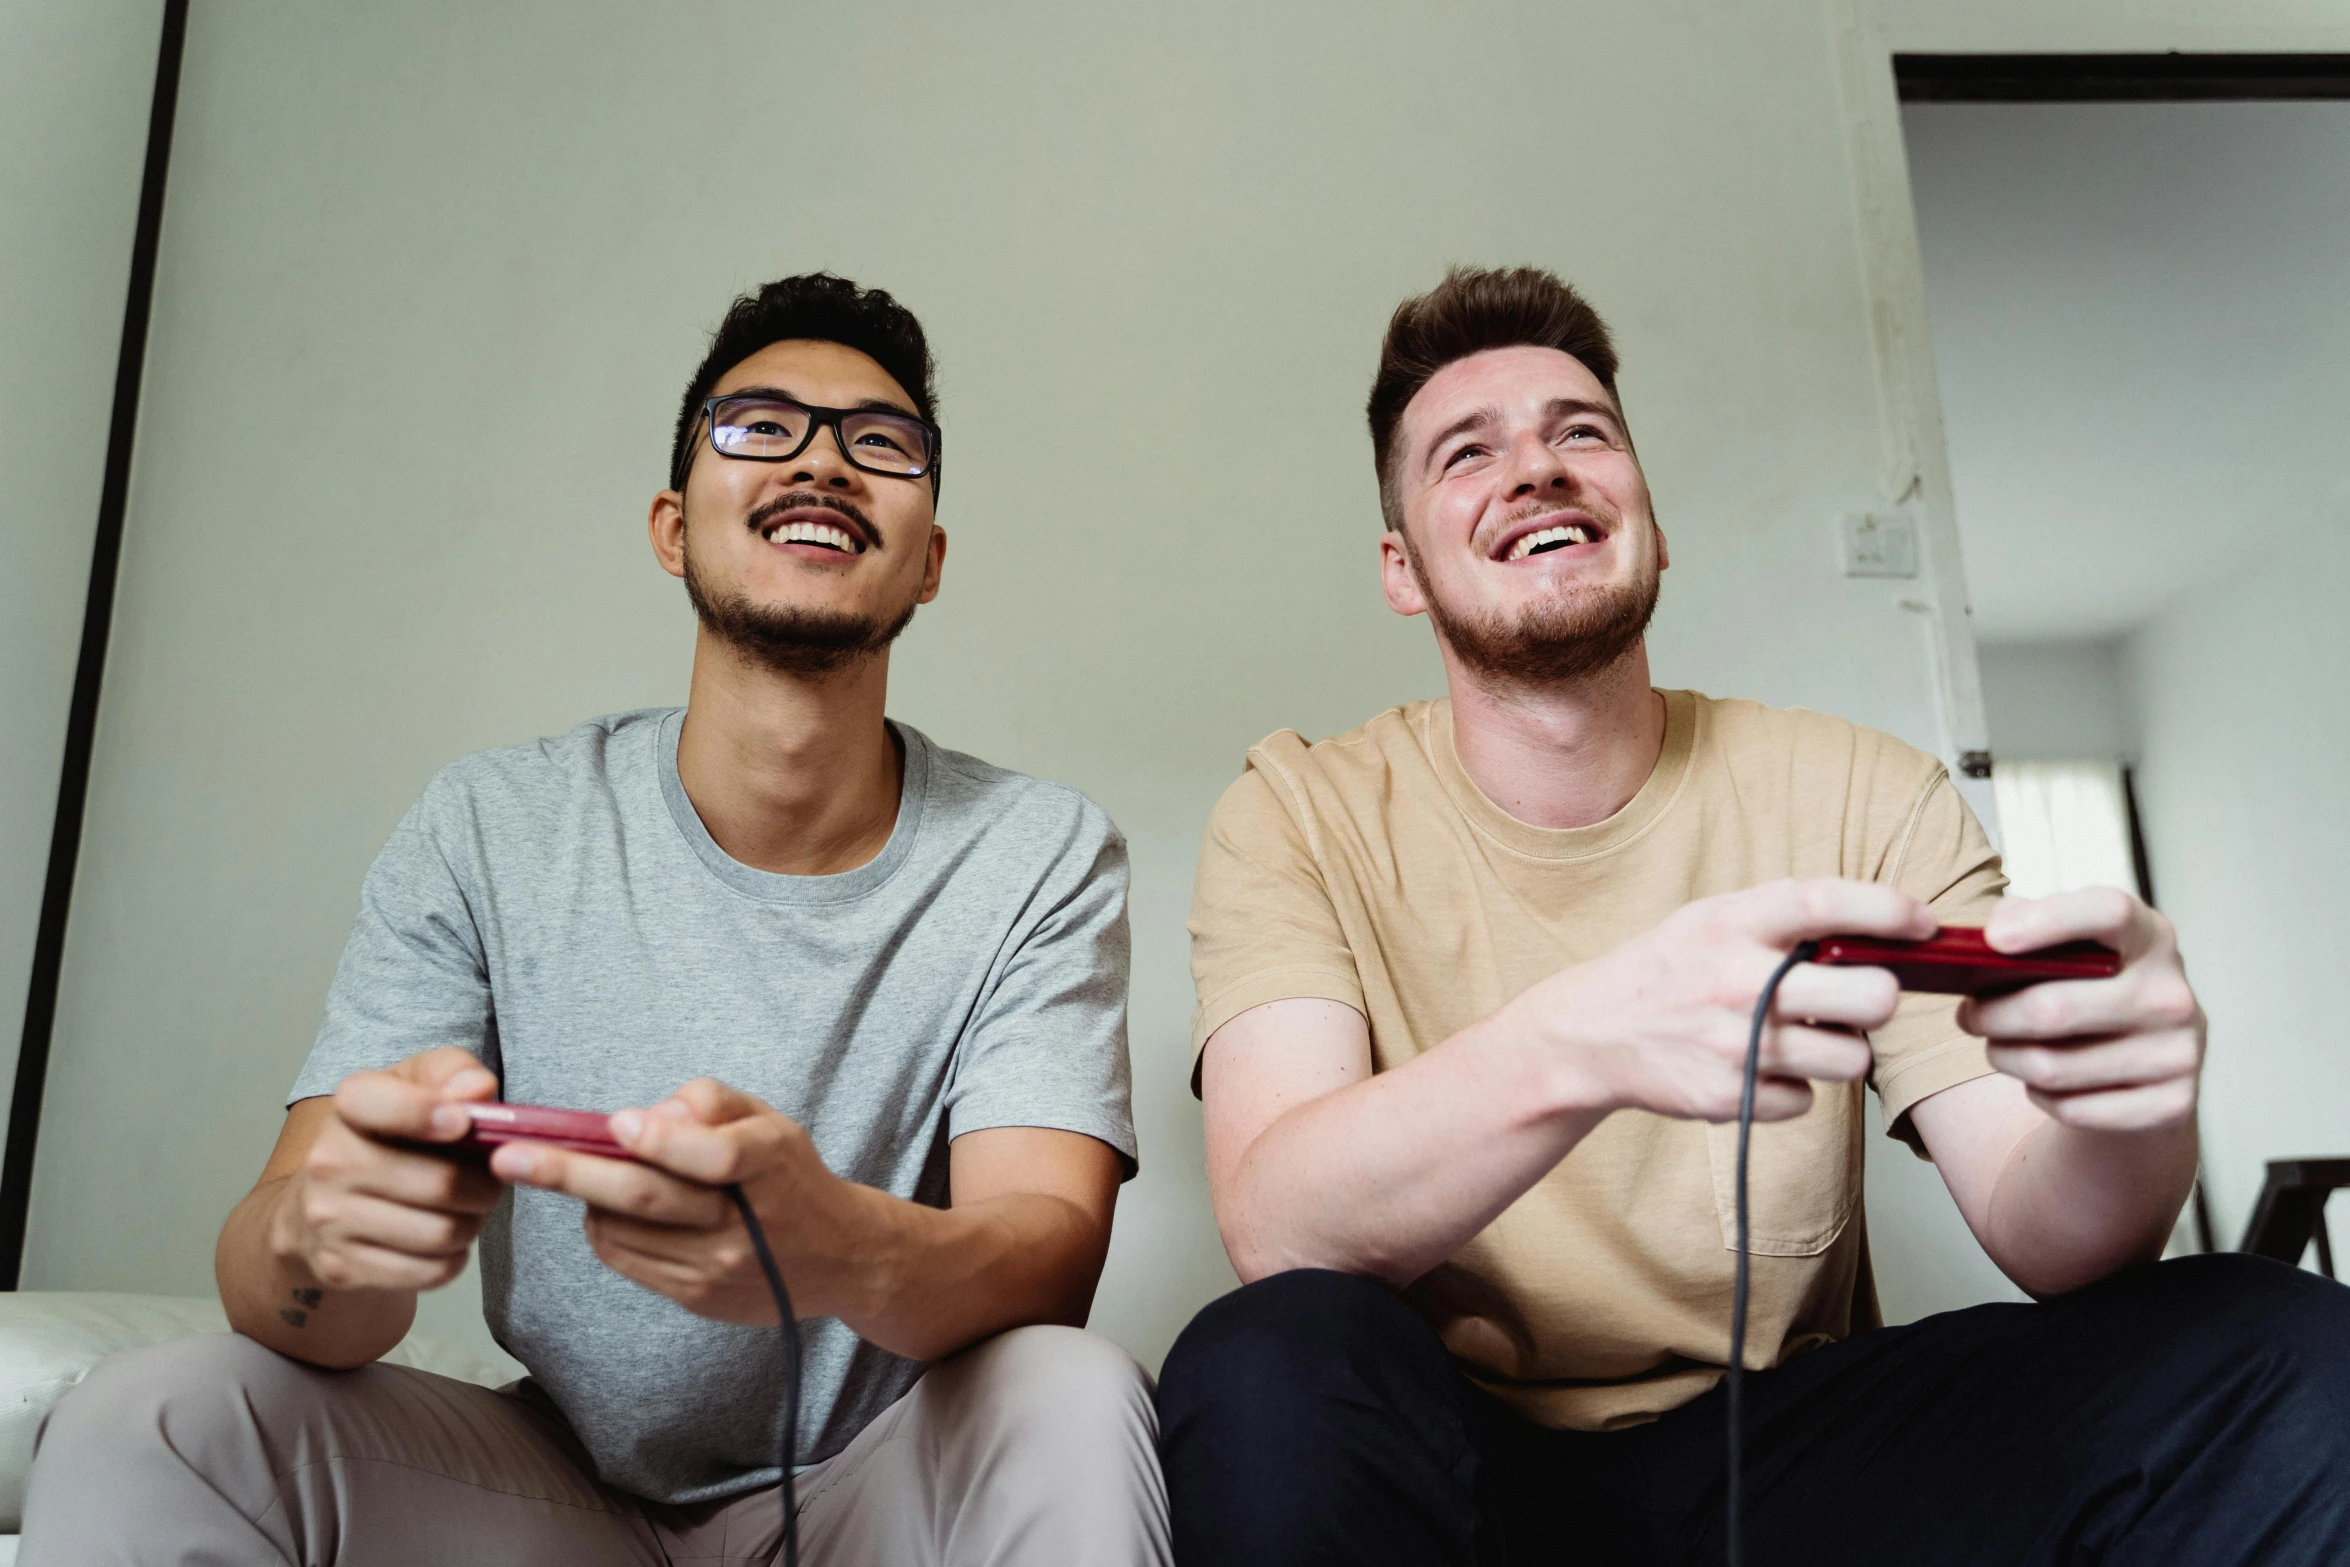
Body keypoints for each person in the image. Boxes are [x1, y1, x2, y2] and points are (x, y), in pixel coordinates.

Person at [1156, 265, 2350, 1566]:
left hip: (1785, 1455)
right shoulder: (1297, 809)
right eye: (1467, 452)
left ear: (1652, 527)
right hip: (1458, 1471)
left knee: (2279, 1343)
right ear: (1403, 568)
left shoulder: (1856, 788)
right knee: (1262, 1358)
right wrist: (1585, 1039)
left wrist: (2127, 1108)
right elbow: (1280, 1223)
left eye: (1580, 433)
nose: (1537, 468)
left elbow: (2048, 1228)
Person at [23, 273, 1172, 1567]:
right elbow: (300, 1308)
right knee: (146, 1420)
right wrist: (321, 1239)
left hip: (877, 1491)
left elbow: (1043, 1256)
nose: (822, 462)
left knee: (1069, 1388)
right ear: (672, 526)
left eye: (881, 443)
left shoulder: (1036, 851)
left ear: (931, 555)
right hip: (552, 1494)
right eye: (760, 425)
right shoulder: (494, 823)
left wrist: (832, 1245)